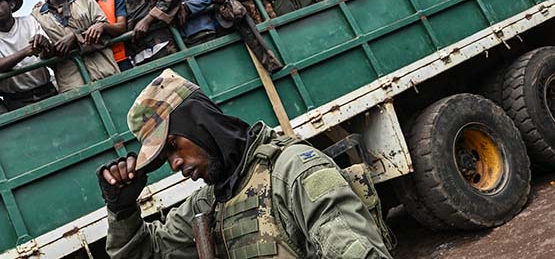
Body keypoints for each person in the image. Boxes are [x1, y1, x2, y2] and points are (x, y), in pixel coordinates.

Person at [98, 68, 392, 258]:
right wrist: (121, 210)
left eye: (173, 146)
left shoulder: (293, 171)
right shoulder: (209, 202)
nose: (174, 164)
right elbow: (148, 253)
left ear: (200, 124)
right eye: (165, 159)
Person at [32, 0, 119, 92]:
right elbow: (43, 55)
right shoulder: (36, 15)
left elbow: (102, 26)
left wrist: (74, 36)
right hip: (72, 85)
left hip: (105, 71)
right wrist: (46, 47)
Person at [0, 0, 56, 112]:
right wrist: (26, 52)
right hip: (15, 101)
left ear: (11, 5)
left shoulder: (29, 21)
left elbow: (48, 53)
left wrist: (45, 44)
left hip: (46, 91)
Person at [79, 0, 132, 71]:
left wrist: (103, 26)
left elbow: (122, 26)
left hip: (120, 58)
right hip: (96, 64)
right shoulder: (78, 2)